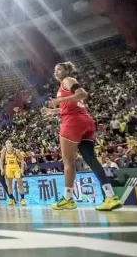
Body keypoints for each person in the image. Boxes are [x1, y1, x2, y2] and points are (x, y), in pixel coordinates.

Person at [41, 62, 122, 211]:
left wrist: (60, 100)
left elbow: (83, 94)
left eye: (59, 69)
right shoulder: (65, 85)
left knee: (68, 162)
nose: (56, 71)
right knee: (91, 159)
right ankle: (111, 196)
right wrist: (51, 112)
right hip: (85, 121)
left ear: (67, 70)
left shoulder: (68, 80)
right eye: (55, 69)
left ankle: (68, 199)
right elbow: (70, 106)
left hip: (73, 123)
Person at [1, 140, 26, 206]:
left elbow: (22, 159)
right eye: (7, 143)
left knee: (20, 183)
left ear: (12, 144)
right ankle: (11, 199)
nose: (8, 144)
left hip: (16, 167)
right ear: (5, 145)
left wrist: (22, 169)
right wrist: (2, 169)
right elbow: (1, 160)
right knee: (9, 184)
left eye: (9, 143)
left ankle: (23, 199)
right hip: (8, 168)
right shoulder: (4, 151)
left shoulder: (16, 151)